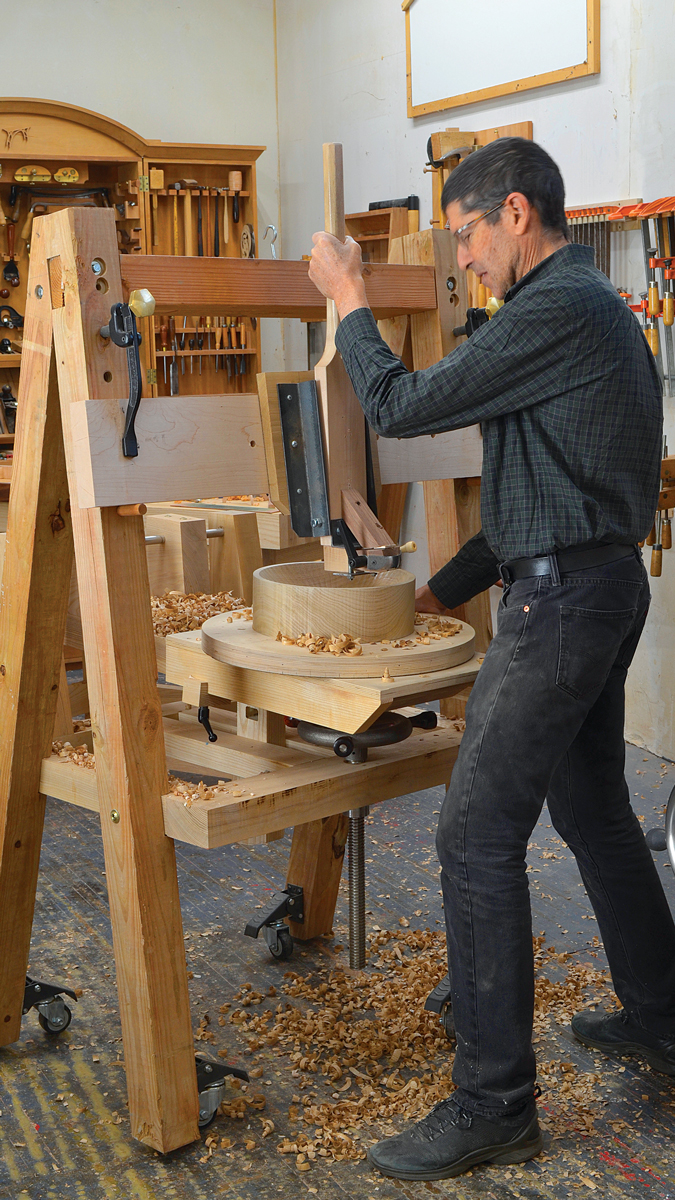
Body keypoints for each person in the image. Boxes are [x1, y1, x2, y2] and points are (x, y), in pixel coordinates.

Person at [308, 137, 675, 1182]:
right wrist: (437, 590)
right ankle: (662, 1016)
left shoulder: (559, 307)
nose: (462, 259)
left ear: (517, 214)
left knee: (474, 834)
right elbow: (541, 489)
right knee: (596, 810)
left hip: (565, 602)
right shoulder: (573, 316)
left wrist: (348, 299)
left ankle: (495, 1104)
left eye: (465, 234)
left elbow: (399, 406)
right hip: (589, 582)